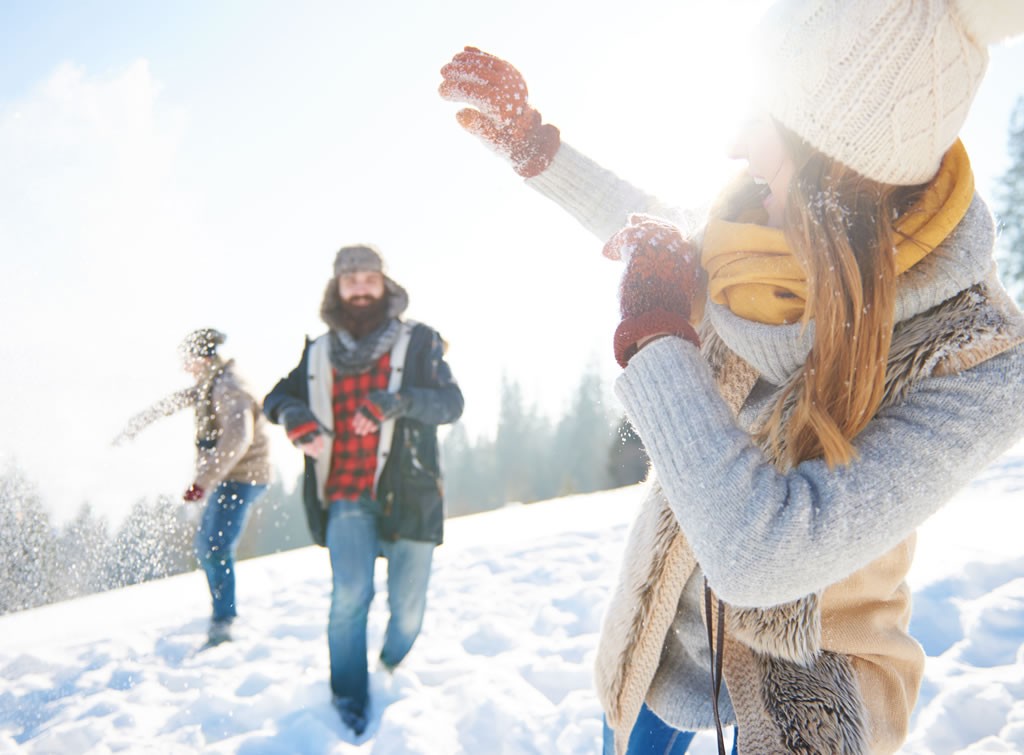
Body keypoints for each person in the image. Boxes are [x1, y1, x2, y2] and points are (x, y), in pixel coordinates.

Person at [440, 1, 1024, 753]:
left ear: (836, 154)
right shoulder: (757, 242)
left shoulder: (977, 358)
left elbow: (761, 557)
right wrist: (537, 151)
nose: (733, 141)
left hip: (802, 711)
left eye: (764, 118)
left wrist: (657, 343)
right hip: (662, 664)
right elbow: (650, 222)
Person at [262, 244, 463, 737]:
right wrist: (294, 416)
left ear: (384, 284)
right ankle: (349, 696)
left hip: (410, 493)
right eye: (349, 279)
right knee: (350, 594)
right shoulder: (319, 351)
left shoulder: (419, 342)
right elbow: (276, 397)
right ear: (337, 287)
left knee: (409, 609)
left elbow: (450, 404)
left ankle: (391, 666)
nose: (358, 286)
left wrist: (395, 403)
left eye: (367, 277)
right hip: (346, 492)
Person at [113, 328, 271, 645]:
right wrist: (137, 423)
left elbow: (238, 439)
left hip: (242, 478)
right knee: (208, 545)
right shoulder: (211, 382)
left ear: (203, 357)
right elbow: (176, 401)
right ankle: (222, 612)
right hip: (230, 478)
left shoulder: (230, 387)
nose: (185, 367)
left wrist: (203, 482)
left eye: (188, 360)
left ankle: (224, 620)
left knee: (214, 547)